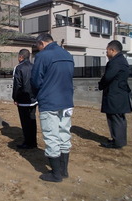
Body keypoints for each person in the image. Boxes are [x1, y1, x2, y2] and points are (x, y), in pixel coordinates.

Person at [30, 33, 74, 182]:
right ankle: (64, 170)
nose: (38, 49)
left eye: (38, 46)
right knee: (64, 134)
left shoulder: (43, 56)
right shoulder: (67, 54)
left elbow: (36, 81)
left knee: (51, 136)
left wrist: (37, 95)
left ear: (42, 43)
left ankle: (55, 174)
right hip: (67, 101)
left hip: (49, 101)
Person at [98, 40, 132, 149]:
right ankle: (119, 140)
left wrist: (101, 85)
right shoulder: (122, 60)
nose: (106, 53)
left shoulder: (115, 62)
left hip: (115, 94)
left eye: (107, 50)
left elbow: (108, 77)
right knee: (119, 118)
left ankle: (117, 142)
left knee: (115, 118)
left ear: (112, 50)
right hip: (120, 94)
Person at [12, 49, 38, 149]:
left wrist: (15, 97)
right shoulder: (34, 66)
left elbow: (17, 84)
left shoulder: (18, 68)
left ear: (21, 57)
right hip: (33, 99)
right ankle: (33, 141)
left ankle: (28, 142)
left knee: (25, 121)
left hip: (23, 100)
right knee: (32, 120)